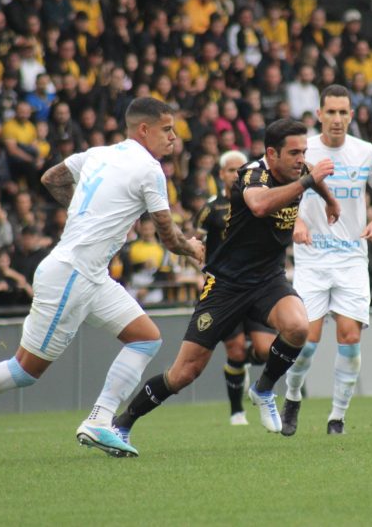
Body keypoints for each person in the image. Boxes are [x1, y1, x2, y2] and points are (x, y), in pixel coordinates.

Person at [0, 98, 205, 460]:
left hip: (89, 274)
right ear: (144, 129)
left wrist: (85, 214)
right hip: (71, 274)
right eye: (167, 129)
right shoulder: (149, 169)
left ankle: (99, 419)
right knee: (25, 370)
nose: (174, 137)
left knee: (146, 339)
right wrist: (192, 249)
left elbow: (50, 178)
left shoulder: (97, 153)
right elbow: (168, 236)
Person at [109, 118, 340, 445]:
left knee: (298, 327)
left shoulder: (299, 168)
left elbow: (311, 172)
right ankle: (123, 422)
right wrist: (309, 182)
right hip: (226, 285)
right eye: (294, 152)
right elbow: (260, 205)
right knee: (183, 374)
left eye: (304, 151)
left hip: (267, 280)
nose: (301, 159)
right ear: (271, 154)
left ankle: (262, 389)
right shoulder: (251, 175)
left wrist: (329, 198)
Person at [279, 84, 372, 436]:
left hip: (350, 259)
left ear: (351, 114)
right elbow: (280, 195)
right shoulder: (303, 150)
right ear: (318, 114)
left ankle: (337, 418)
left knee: (349, 337)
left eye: (343, 112)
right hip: (313, 260)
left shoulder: (365, 153)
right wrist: (296, 222)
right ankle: (293, 394)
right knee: (305, 342)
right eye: (330, 112)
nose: (337, 119)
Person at [193, 149, 277, 425]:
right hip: (225, 287)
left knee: (266, 351)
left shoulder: (259, 203)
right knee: (236, 350)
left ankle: (245, 375)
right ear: (220, 174)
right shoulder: (211, 208)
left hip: (256, 284)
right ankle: (236, 411)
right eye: (230, 170)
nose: (235, 174)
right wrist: (199, 271)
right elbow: (196, 244)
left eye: (240, 169)